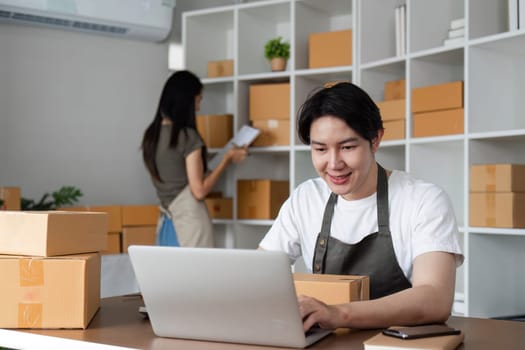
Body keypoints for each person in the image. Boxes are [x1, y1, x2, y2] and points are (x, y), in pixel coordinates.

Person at [258, 82, 463, 330]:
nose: (333, 163)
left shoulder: (424, 201)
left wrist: (339, 314)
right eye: (321, 149)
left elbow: (435, 299)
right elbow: (259, 275)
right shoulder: (306, 199)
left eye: (347, 147)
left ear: (375, 139)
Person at [142, 70, 248, 247]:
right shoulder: (187, 137)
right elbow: (199, 190)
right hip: (190, 223)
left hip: (167, 224)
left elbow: (177, 165)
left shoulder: (151, 136)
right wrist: (226, 159)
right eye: (198, 101)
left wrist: (224, 152)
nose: (198, 108)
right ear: (186, 102)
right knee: (197, 273)